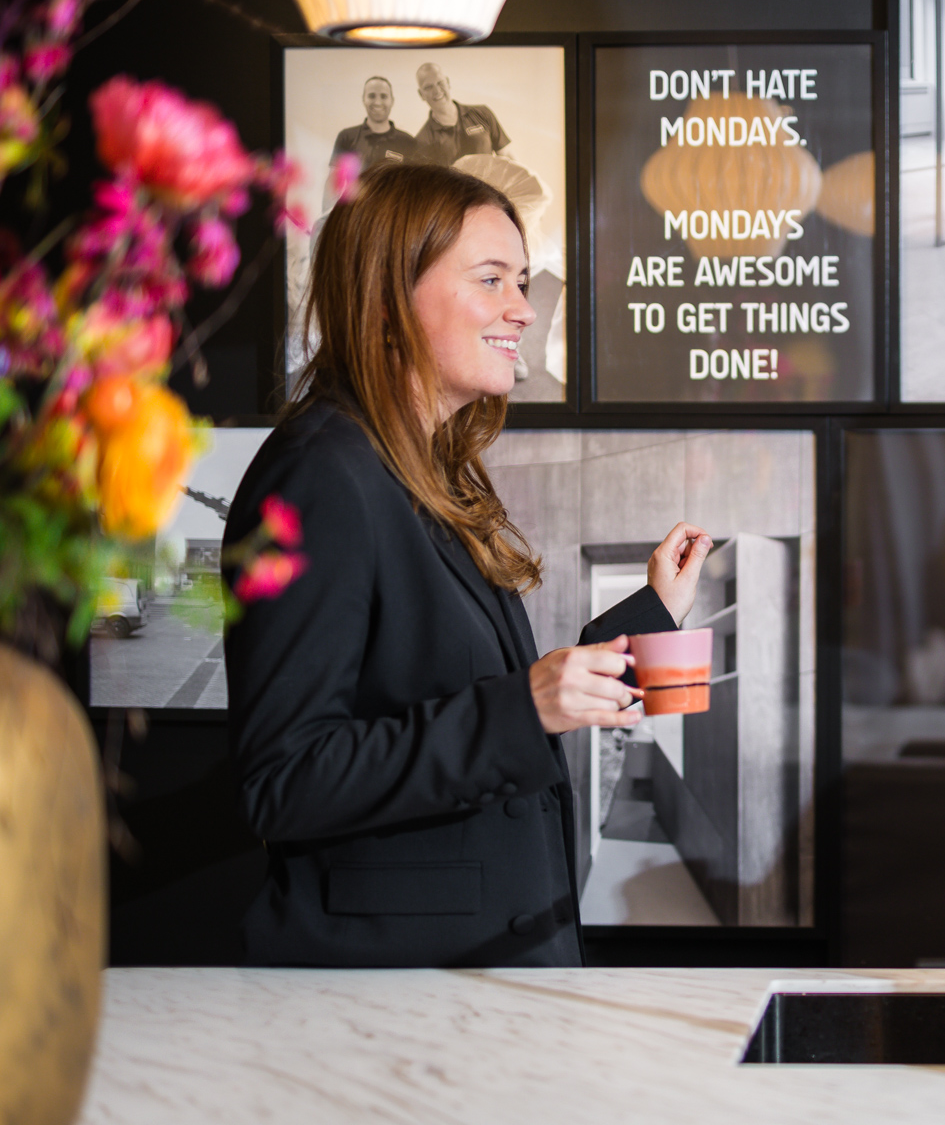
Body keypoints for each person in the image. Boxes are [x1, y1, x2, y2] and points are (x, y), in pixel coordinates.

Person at [223, 163, 712, 966]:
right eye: (491, 281)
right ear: (386, 299)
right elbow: (286, 778)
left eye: (519, 281)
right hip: (401, 995)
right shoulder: (321, 475)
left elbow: (474, 696)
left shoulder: (418, 467)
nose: (523, 309)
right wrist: (523, 707)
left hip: (483, 968)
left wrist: (649, 617)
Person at [326, 76, 414, 209]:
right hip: (355, 216)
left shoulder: (408, 142)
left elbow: (414, 187)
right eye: (372, 96)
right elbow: (333, 182)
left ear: (392, 101)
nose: (377, 102)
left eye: (384, 96)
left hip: (393, 217)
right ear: (363, 99)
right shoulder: (347, 137)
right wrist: (326, 220)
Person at [411, 62, 512, 167]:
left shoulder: (482, 113)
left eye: (440, 82)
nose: (437, 91)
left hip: (489, 184)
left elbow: (506, 156)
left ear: (448, 83)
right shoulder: (423, 140)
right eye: (428, 87)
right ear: (421, 94)